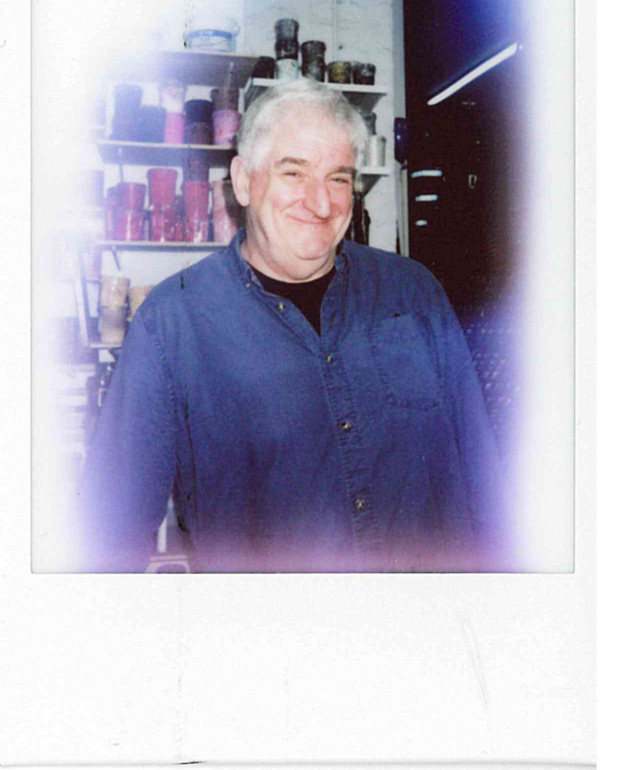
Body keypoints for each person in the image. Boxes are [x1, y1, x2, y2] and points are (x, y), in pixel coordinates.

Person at [79, 77, 511, 573]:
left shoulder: (414, 294)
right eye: (294, 173)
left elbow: (487, 488)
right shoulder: (172, 324)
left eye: (338, 179)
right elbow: (107, 539)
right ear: (243, 181)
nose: (322, 204)